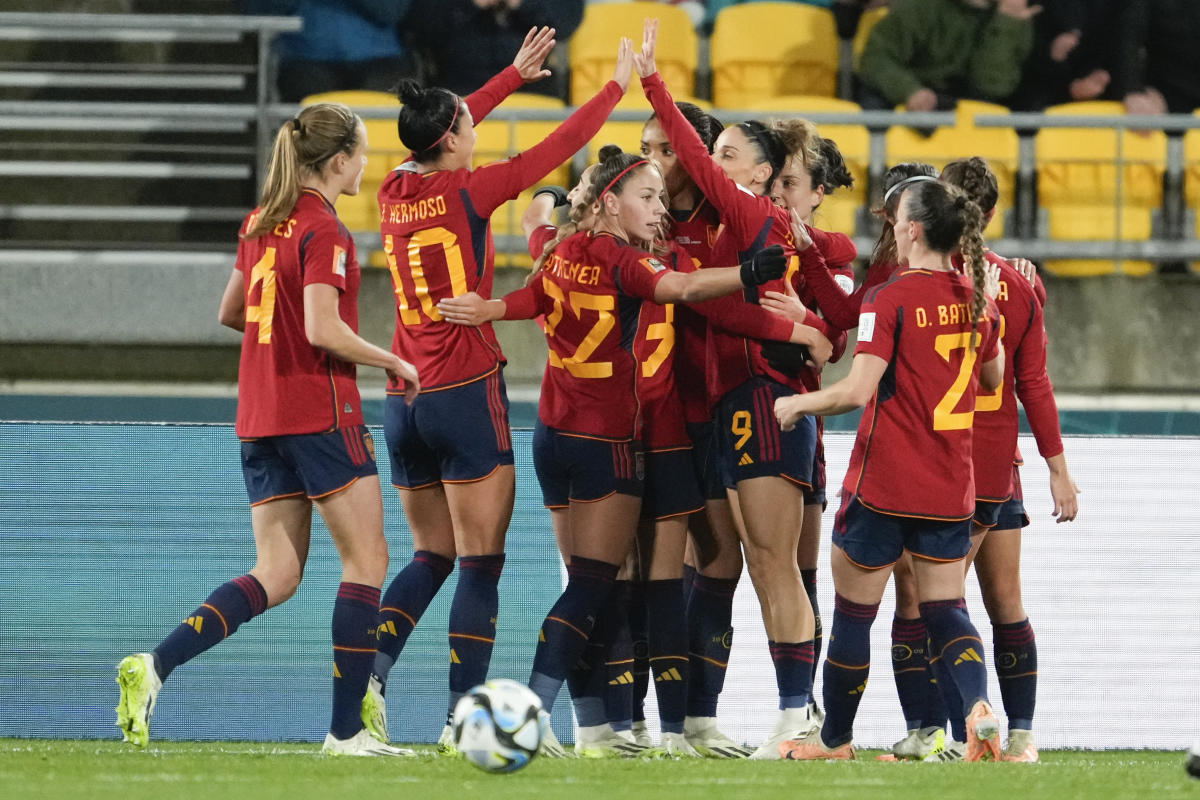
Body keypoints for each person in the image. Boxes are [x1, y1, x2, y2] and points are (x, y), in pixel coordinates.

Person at [438, 148, 789, 756]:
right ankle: (534, 713)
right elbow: (680, 286)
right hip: (610, 440)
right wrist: (747, 273)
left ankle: (600, 725)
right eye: (647, 198)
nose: (659, 209)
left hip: (553, 435)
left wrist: (492, 308)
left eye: (660, 197)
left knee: (596, 583)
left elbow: (533, 293)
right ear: (609, 202)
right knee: (596, 585)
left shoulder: (561, 249)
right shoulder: (624, 261)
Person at [115, 103, 420, 756]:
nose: (367, 164)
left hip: (258, 417)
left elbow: (231, 311)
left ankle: (156, 665)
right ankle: (346, 733)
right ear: (339, 162)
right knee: (367, 561)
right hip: (319, 414)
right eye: (364, 153)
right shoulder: (325, 230)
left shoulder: (260, 221)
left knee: (277, 573)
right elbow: (321, 328)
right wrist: (392, 359)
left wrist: (272, 344)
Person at [362, 30, 635, 752]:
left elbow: (439, 127)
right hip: (463, 389)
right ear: (454, 138)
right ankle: (461, 716)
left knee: (431, 556)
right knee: (481, 563)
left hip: (401, 394)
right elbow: (556, 150)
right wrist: (614, 89)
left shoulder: (395, 188)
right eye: (469, 123)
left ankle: (369, 678)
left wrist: (509, 76)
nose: (475, 129)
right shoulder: (470, 190)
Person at [635, 19, 821, 759]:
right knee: (712, 570)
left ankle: (794, 715)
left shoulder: (743, 214)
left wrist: (812, 331)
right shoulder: (663, 226)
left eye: (718, 152)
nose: (669, 160)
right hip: (700, 412)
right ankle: (696, 722)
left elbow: (818, 312)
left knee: (775, 564)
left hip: (761, 402)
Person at [774, 177, 1005, 762]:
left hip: (884, 484)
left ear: (912, 228)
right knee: (947, 610)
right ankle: (979, 708)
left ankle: (834, 741)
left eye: (896, 216)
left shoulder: (892, 296)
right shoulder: (978, 294)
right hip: (951, 486)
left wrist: (798, 402)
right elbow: (994, 380)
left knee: (854, 613)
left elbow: (855, 391)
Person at [884, 157, 1080, 763]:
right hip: (1001, 468)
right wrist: (1057, 466)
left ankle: (938, 732)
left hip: (942, 461)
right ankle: (1019, 734)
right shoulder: (1015, 284)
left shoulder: (919, 281)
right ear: (991, 214)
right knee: (1005, 600)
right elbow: (1035, 384)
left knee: (926, 602)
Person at [856, 0, 1040, 111]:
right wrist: (909, 90)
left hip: (969, 104)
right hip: (908, 94)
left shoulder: (1014, 16)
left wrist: (1006, 24)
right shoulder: (920, 5)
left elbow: (992, 86)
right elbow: (876, 58)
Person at [240, 0, 417, 103]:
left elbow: (393, 11)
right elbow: (259, 11)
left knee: (382, 131)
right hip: (305, 61)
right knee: (317, 140)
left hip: (383, 61)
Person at [406, 0, 585, 98]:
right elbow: (419, 28)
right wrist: (471, 4)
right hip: (458, 86)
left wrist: (521, 4)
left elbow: (565, 24)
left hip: (531, 87)